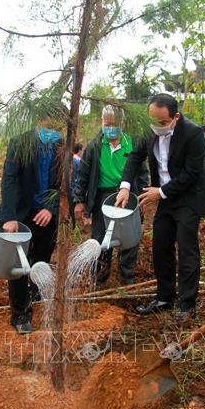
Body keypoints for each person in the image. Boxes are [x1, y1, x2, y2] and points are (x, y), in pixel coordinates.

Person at [115, 94, 205, 323]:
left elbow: (192, 172)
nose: (156, 127)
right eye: (153, 121)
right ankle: (164, 298)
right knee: (161, 246)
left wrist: (161, 192)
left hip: (189, 197)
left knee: (187, 249)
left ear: (175, 117)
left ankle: (186, 304)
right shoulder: (150, 131)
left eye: (162, 122)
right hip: (165, 200)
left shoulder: (193, 133)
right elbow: (134, 157)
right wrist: (125, 187)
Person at [0, 107, 65, 334]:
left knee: (41, 259)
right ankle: (20, 314)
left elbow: (65, 183)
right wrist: (9, 216)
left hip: (46, 214)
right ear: (39, 122)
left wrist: (51, 208)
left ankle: (36, 295)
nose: (53, 133)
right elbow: (9, 180)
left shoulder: (61, 145)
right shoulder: (20, 142)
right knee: (19, 264)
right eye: (49, 128)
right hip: (22, 212)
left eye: (57, 129)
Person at [73, 105, 148, 286]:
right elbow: (83, 175)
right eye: (107, 124)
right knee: (100, 238)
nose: (110, 128)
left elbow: (142, 172)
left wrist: (143, 195)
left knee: (129, 237)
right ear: (102, 122)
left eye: (114, 124)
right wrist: (79, 200)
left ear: (121, 123)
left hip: (129, 195)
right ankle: (99, 277)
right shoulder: (94, 145)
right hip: (102, 196)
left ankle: (126, 278)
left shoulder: (132, 143)